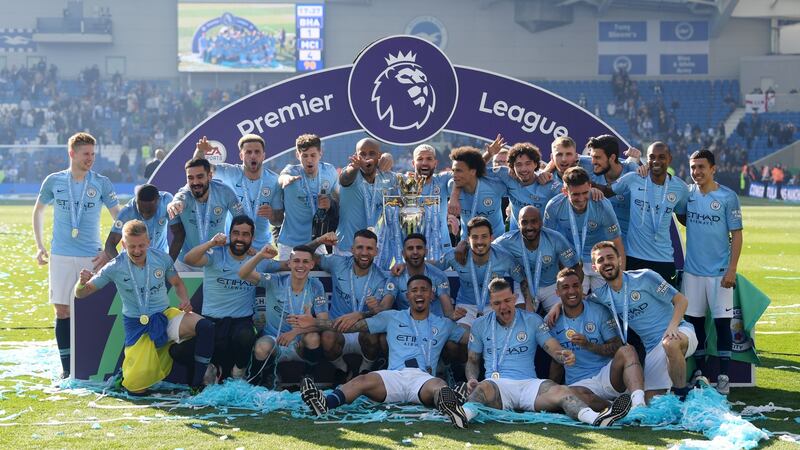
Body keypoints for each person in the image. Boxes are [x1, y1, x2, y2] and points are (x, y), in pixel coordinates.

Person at [291, 275, 470, 429]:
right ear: (407, 296)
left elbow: (471, 339)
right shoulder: (392, 317)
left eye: (424, 290)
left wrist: (489, 324)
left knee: (439, 385)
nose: (419, 293)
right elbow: (351, 327)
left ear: (432, 295)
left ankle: (452, 405)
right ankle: (325, 404)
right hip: (394, 376)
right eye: (414, 290)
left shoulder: (444, 324)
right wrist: (315, 324)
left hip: (423, 379)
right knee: (362, 380)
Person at [462, 278, 631, 426]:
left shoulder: (532, 320)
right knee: (481, 389)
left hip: (529, 385)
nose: (503, 307)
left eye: (507, 300)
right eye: (497, 303)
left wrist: (564, 355)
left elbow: (554, 348)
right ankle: (463, 415)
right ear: (491, 304)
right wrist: (471, 379)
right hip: (497, 385)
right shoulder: (480, 324)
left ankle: (595, 419)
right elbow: (472, 360)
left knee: (563, 392)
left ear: (514, 299)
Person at [74, 220, 215, 393]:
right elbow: (81, 294)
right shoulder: (114, 266)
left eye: (141, 245)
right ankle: (125, 375)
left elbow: (177, 283)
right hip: (137, 327)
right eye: (132, 246)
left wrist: (185, 300)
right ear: (124, 244)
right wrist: (81, 284)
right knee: (136, 389)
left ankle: (196, 383)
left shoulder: (162, 258)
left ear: (148, 242)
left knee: (205, 327)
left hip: (165, 317)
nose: (137, 251)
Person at [32, 132, 121, 378]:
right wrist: (40, 246)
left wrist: (109, 250)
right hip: (60, 255)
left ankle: (91, 364)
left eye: (93, 154)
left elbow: (119, 218)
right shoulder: (54, 181)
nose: (90, 159)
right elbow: (38, 212)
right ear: (72, 153)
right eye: (86, 154)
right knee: (62, 311)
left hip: (91, 257)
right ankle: (67, 368)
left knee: (90, 309)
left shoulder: (101, 182)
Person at [589, 241, 697, 402]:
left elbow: (681, 300)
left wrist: (673, 327)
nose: (606, 263)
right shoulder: (601, 295)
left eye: (610, 257)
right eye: (600, 260)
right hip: (653, 348)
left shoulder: (644, 277)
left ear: (619, 259)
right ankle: (693, 387)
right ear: (595, 268)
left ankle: (682, 395)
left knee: (670, 344)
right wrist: (557, 306)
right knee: (651, 403)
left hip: (679, 331)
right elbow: (581, 302)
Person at [183, 215, 281, 380]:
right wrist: (211, 243)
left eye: (245, 234)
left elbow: (289, 264)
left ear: (252, 237)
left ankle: (239, 371)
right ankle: (213, 369)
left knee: (246, 335)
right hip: (212, 323)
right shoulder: (216, 253)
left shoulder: (258, 258)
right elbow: (189, 259)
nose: (240, 238)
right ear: (229, 234)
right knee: (178, 351)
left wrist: (274, 251)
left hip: (240, 323)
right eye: (236, 233)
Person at [682, 149, 743, 395]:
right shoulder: (687, 194)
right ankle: (700, 373)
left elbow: (737, 235)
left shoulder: (728, 197)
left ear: (713, 168)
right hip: (693, 272)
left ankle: (724, 376)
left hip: (719, 273)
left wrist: (732, 269)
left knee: (721, 325)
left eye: (701, 167)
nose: (696, 172)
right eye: (693, 167)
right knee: (695, 324)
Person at [549, 267, 646, 410]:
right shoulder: (552, 320)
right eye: (565, 287)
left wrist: (589, 345)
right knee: (569, 394)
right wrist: (552, 389)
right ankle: (617, 409)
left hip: (607, 375)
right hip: (580, 384)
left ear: (582, 288)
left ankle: (639, 405)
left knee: (627, 350)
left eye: (576, 286)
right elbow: (555, 361)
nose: (571, 291)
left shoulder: (598, 311)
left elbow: (617, 346)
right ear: (557, 292)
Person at [306, 229, 397, 378]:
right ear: (352, 249)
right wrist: (319, 241)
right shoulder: (337, 263)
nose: (364, 252)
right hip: (337, 328)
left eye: (369, 248)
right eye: (360, 247)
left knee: (373, 336)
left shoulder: (382, 278)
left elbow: (383, 309)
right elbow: (302, 254)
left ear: (376, 251)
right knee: (327, 338)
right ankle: (342, 369)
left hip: (364, 332)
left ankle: (365, 369)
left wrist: (367, 313)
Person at [238, 244, 327, 387]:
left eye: (305, 262)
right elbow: (242, 273)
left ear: (312, 265)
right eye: (296, 261)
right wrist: (260, 255)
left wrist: (296, 332)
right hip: (275, 339)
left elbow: (323, 321)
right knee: (262, 346)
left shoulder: (316, 285)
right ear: (289, 263)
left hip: (300, 341)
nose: (300, 265)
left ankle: (308, 376)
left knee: (313, 338)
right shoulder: (275, 281)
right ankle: (262, 378)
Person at [606, 142, 688, 285]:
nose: (656, 161)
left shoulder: (680, 188)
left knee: (664, 306)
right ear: (647, 159)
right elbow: (605, 191)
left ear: (670, 159)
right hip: (634, 258)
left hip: (663, 259)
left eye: (661, 157)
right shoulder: (633, 178)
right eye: (652, 157)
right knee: (635, 303)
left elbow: (684, 218)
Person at [193, 135, 283, 250]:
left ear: (263, 156)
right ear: (241, 155)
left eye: (257, 152)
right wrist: (200, 150)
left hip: (261, 249)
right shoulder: (229, 172)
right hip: (232, 246)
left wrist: (272, 215)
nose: (253, 156)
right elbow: (199, 168)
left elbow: (278, 221)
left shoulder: (274, 180)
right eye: (248, 152)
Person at [544, 166, 624, 292]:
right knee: (575, 304)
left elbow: (617, 243)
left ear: (590, 187)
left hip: (600, 260)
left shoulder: (602, 205)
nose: (581, 199)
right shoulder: (554, 206)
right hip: (572, 261)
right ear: (565, 191)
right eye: (575, 194)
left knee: (608, 304)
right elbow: (548, 241)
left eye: (585, 193)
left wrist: (620, 277)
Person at [439, 216, 526, 328]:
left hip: (494, 306)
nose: (479, 242)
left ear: (491, 238)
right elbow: (432, 268)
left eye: (484, 237)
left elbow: (523, 281)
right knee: (455, 343)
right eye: (475, 237)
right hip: (466, 307)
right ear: (467, 239)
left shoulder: (504, 257)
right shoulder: (455, 255)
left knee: (498, 339)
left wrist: (524, 307)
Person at [493, 205, 580, 313]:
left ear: (541, 222)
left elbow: (575, 267)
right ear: (518, 224)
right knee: (521, 320)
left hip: (551, 286)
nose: (529, 227)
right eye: (524, 222)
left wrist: (576, 292)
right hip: (524, 285)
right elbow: (489, 248)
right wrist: (466, 245)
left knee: (564, 315)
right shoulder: (507, 241)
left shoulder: (555, 239)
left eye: (533, 221)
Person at [167, 158, 244, 270]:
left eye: (200, 177)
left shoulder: (225, 192)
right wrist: (173, 204)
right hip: (186, 264)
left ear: (210, 176)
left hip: (216, 261)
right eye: (190, 178)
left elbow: (243, 220)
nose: (195, 182)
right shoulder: (184, 194)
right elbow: (178, 200)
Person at [276, 134, 339, 260]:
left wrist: (330, 203)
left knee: (318, 279)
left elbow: (339, 198)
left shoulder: (329, 171)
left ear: (320, 153)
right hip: (289, 243)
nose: (309, 160)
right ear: (297, 155)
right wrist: (285, 180)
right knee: (288, 279)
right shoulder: (291, 172)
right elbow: (282, 177)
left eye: (313, 155)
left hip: (318, 241)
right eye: (305, 156)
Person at [335, 138, 396, 255]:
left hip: (375, 251)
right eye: (362, 154)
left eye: (372, 153)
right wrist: (354, 167)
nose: (367, 157)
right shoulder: (350, 172)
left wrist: (388, 157)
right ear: (356, 156)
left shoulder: (387, 178)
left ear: (379, 155)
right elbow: (344, 180)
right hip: (347, 249)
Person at [102, 184, 183, 265]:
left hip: (159, 260)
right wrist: (122, 265)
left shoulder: (166, 202)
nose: (145, 215)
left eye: (149, 212)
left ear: (158, 201)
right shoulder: (127, 212)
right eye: (141, 211)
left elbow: (179, 234)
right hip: (132, 261)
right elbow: (110, 244)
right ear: (136, 201)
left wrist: (169, 263)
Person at [390, 233, 456, 320]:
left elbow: (448, 311)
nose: (415, 252)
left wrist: (453, 316)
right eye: (410, 248)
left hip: (434, 328)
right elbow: (384, 306)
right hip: (405, 328)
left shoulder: (439, 276)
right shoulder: (396, 275)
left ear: (426, 251)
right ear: (403, 253)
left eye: (419, 248)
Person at [448, 146, 508, 240]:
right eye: (453, 170)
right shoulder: (452, 186)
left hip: (497, 242)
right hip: (468, 242)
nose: (454, 175)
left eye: (459, 171)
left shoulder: (495, 186)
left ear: (473, 171)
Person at [586, 135, 641, 238]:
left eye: (597, 157)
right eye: (591, 156)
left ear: (612, 158)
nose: (592, 162)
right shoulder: (587, 165)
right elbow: (563, 159)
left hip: (627, 245)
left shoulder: (633, 172)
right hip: (599, 245)